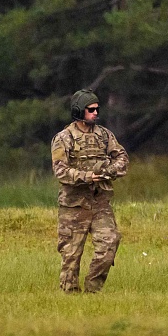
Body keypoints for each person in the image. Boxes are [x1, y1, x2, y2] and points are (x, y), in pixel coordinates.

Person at [50, 89, 129, 293]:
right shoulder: (64, 138)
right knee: (71, 255)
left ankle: (93, 290)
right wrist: (86, 177)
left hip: (100, 202)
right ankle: (69, 297)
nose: (95, 113)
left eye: (97, 109)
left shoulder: (104, 135)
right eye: (91, 109)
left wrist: (108, 171)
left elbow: (122, 159)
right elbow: (60, 171)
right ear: (79, 111)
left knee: (109, 244)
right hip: (74, 206)